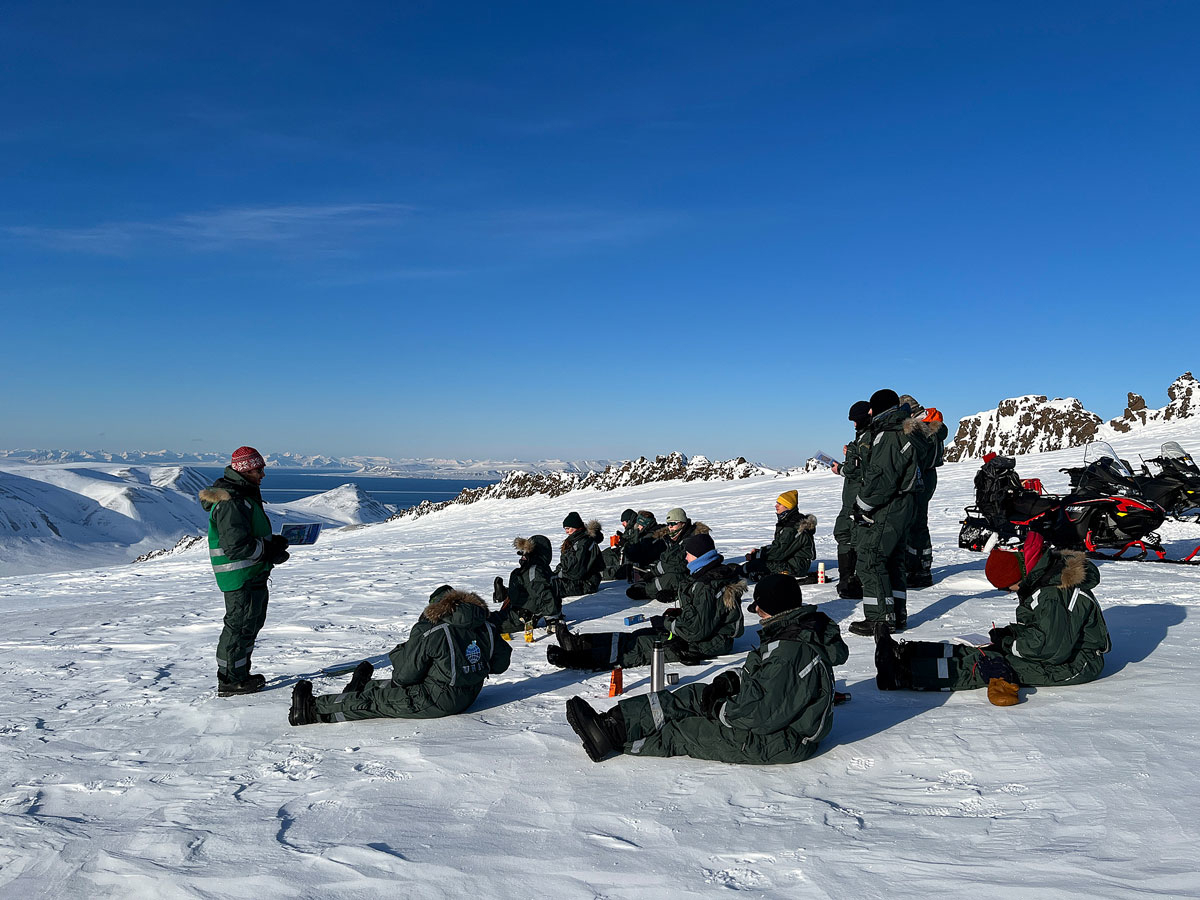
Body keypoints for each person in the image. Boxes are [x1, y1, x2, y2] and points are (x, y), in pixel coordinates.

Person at [564, 574, 849, 764]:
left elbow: (760, 716)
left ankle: (615, 740)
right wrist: (733, 680)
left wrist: (719, 709)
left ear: (773, 607)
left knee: (686, 729)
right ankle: (614, 722)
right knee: (692, 695)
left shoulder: (790, 650)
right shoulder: (793, 633)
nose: (757, 613)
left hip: (783, 739)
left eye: (759, 607)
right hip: (774, 721)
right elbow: (770, 681)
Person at [874, 533, 1111, 706]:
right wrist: (1011, 635)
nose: (1008, 591)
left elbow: (1048, 650)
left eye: (1007, 586)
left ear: (1021, 575)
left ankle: (903, 673)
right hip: (1061, 651)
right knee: (986, 650)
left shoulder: (1051, 594)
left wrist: (1008, 643)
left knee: (988, 665)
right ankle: (907, 653)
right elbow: (1046, 631)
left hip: (1077, 664)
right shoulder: (1044, 580)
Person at [289, 585, 512, 725]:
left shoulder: (433, 631)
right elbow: (500, 664)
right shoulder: (486, 626)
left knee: (376, 702)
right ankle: (362, 687)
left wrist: (402, 652)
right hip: (469, 694)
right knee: (389, 689)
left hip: (437, 701)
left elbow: (404, 677)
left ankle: (312, 710)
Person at [548, 532, 745, 671]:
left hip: (707, 643)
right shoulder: (709, 576)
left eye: (688, 554)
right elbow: (704, 615)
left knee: (640, 647)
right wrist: (677, 615)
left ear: (699, 556)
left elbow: (695, 631)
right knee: (638, 634)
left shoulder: (707, 585)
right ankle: (581, 643)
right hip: (702, 635)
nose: (685, 558)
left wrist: (666, 623)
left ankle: (576, 659)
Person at [199, 446, 291, 696]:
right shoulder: (232, 501)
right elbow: (236, 546)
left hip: (251, 574)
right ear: (244, 471)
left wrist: (271, 543)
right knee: (239, 627)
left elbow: (247, 535)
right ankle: (230, 680)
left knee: (249, 625)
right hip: (241, 577)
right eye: (258, 470)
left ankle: (240, 674)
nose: (263, 475)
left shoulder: (243, 496)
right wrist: (268, 551)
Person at [847, 389, 923, 636]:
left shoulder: (887, 435)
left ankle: (880, 618)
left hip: (890, 504)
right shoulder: (900, 430)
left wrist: (862, 505)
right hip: (904, 503)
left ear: (878, 408)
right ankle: (896, 614)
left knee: (871, 557)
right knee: (893, 560)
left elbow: (881, 477)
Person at [897, 395, 949, 589]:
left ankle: (916, 570)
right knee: (919, 522)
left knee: (914, 523)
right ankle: (923, 567)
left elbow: (917, 455)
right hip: (929, 477)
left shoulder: (918, 427)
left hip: (919, 477)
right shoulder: (933, 425)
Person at [832, 401, 872, 600]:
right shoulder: (869, 437)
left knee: (847, 534)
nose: (854, 425)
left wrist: (841, 468)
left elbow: (856, 470)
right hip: (855, 498)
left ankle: (850, 581)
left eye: (856, 421)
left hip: (856, 499)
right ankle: (849, 580)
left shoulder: (867, 439)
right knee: (847, 534)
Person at [632, 507, 710, 603]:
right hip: (682, 575)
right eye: (668, 524)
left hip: (693, 576)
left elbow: (678, 564)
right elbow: (666, 558)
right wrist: (652, 572)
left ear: (683, 523)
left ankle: (647, 591)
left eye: (673, 524)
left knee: (671, 578)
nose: (670, 527)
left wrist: (653, 573)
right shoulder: (673, 538)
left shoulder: (692, 539)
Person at [741, 491, 817, 582]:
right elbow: (780, 545)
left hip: (795, 566)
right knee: (752, 567)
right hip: (789, 561)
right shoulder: (788, 521)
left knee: (752, 566)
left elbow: (778, 551)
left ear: (788, 506)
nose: (776, 506)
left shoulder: (793, 526)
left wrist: (755, 556)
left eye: (780, 504)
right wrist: (760, 552)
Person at [490, 535, 560, 631]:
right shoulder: (529, 570)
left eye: (525, 554)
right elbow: (527, 592)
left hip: (519, 619)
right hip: (512, 612)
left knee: (484, 624)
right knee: (483, 617)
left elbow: (545, 595)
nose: (522, 557)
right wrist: (506, 592)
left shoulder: (534, 573)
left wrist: (552, 619)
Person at [554, 512, 605, 597]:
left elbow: (576, 571)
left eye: (568, 528)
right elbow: (567, 563)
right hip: (577, 579)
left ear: (576, 527)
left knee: (551, 588)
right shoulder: (574, 541)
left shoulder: (584, 543)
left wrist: (560, 574)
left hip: (587, 583)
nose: (566, 531)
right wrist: (555, 573)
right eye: (565, 529)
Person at [600, 508, 639, 580]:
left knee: (609, 559)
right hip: (623, 551)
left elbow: (635, 545)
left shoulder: (636, 529)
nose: (622, 524)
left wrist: (624, 543)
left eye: (624, 522)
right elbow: (630, 539)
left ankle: (601, 573)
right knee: (604, 553)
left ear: (629, 521)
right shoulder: (630, 529)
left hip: (626, 556)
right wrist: (622, 537)